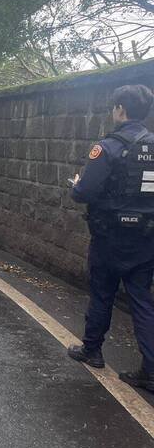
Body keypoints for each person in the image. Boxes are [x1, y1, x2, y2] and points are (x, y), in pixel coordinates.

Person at [68, 84, 154, 392]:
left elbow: (83, 193)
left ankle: (92, 350)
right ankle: (151, 371)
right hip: (146, 239)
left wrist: (76, 184)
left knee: (102, 292)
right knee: (142, 300)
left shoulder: (106, 148)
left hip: (109, 236)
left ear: (120, 109)